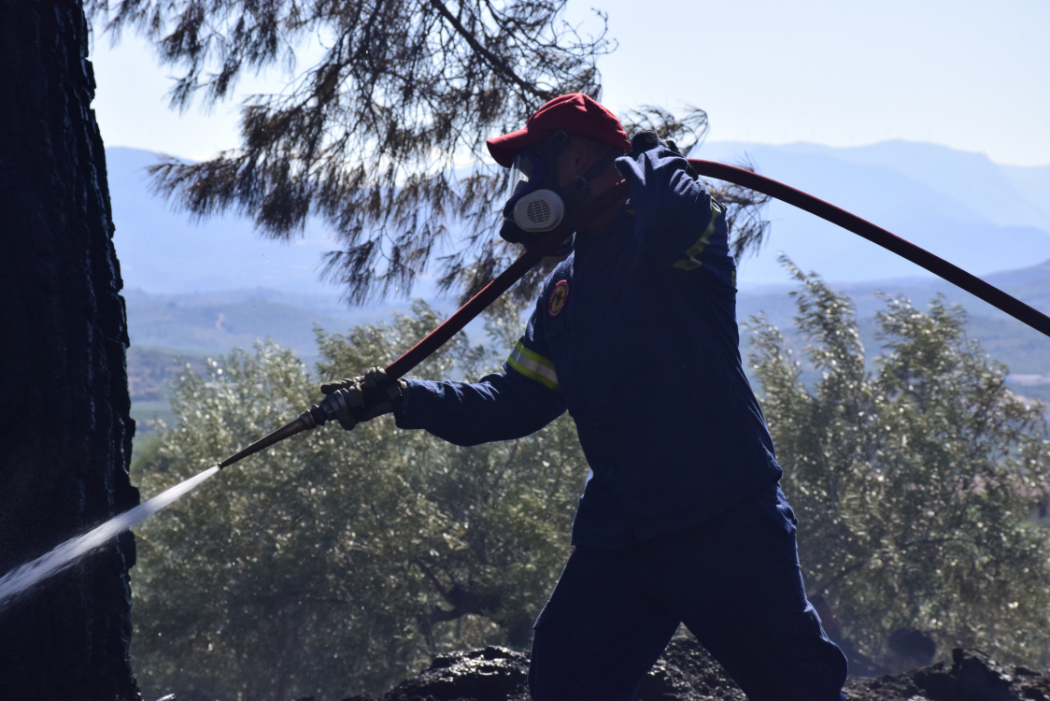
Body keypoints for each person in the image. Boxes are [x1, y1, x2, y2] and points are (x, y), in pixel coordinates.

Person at [320, 93, 848, 701]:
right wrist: (407, 399)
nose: (524, 185)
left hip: (724, 519)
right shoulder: (563, 290)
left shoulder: (679, 243)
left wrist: (650, 157)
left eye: (531, 167)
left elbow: (676, 214)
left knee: (800, 689)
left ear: (573, 159)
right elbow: (512, 401)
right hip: (623, 536)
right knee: (564, 684)